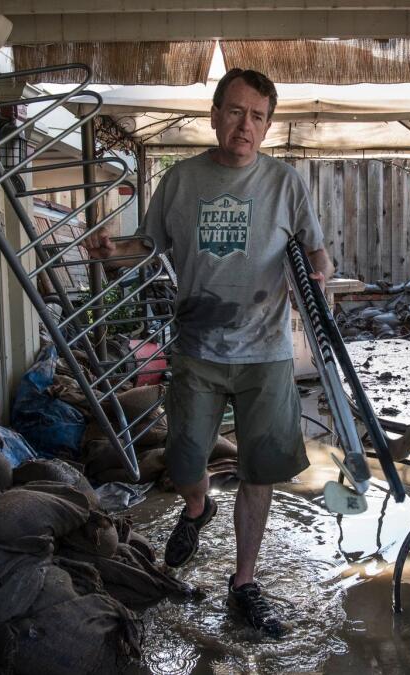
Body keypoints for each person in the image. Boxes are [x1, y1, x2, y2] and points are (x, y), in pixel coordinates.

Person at [86, 68, 332, 638]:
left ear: (267, 126)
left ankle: (244, 582)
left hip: (266, 350)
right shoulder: (180, 181)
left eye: (258, 116)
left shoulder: (286, 183)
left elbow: (318, 256)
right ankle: (198, 508)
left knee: (258, 468)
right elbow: (144, 248)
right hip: (198, 345)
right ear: (215, 114)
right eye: (236, 111)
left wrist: (317, 276)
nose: (245, 125)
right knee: (184, 460)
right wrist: (112, 247)